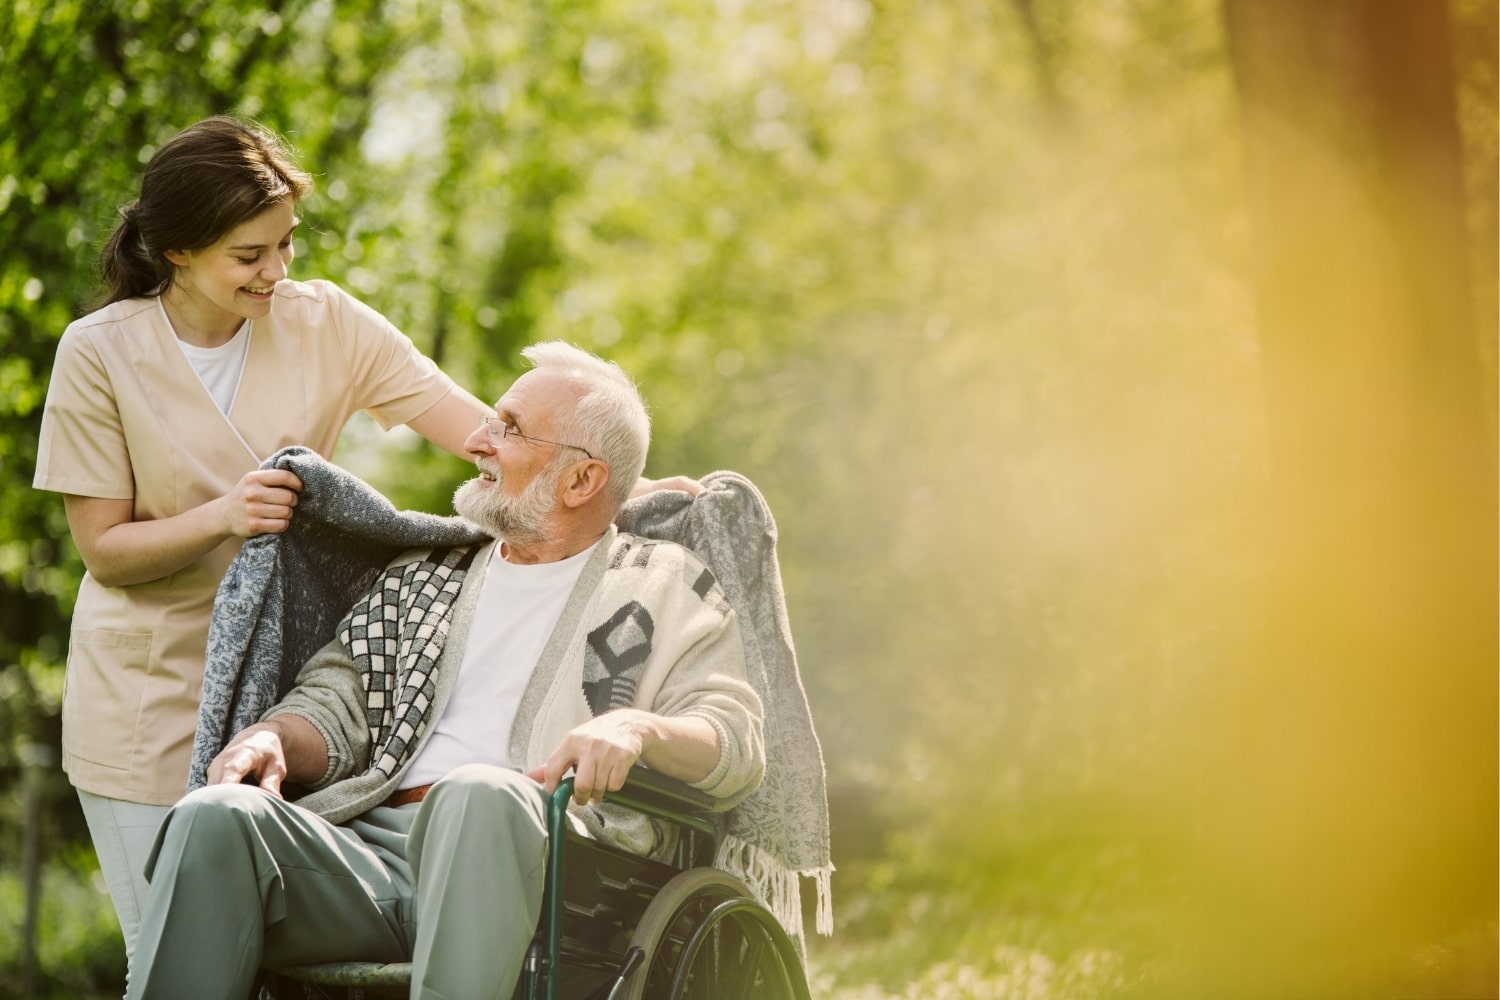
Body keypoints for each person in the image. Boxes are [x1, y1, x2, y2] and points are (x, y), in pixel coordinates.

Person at [125, 341, 766, 999]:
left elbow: (736, 738)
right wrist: (276, 736)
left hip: (556, 867)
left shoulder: (666, 587)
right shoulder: (425, 577)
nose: (477, 441)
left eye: (508, 429)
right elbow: (336, 701)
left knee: (480, 792)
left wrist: (638, 730)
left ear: (581, 481)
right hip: (372, 859)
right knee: (217, 815)